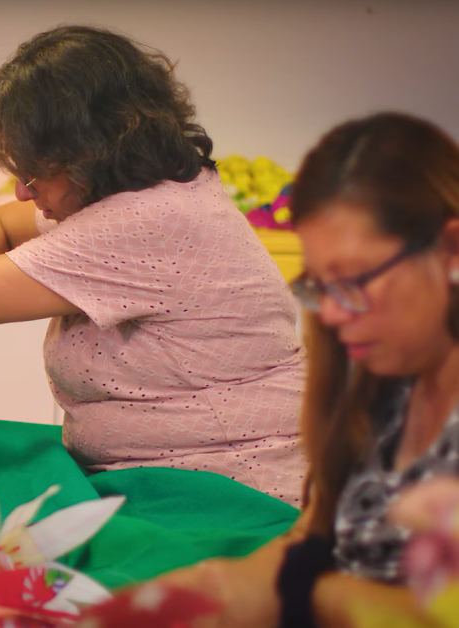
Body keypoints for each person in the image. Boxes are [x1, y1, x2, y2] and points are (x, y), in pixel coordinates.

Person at [0, 25, 307, 504]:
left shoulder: (143, 222)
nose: (22, 192)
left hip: (232, 492)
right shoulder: (162, 193)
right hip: (163, 477)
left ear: (88, 155)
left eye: (34, 174)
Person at [158, 112, 459, 627]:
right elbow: (316, 535)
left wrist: (323, 595)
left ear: (451, 251)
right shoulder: (382, 383)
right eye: (319, 284)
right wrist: (216, 589)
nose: (333, 314)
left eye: (354, 280)